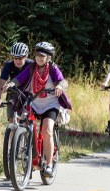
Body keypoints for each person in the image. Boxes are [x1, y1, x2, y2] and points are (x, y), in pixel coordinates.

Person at [8, 42, 71, 176]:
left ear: (48, 57)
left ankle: (48, 164)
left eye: (42, 56)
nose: (38, 58)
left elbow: (63, 81)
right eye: (37, 55)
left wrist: (59, 87)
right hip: (34, 103)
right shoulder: (31, 67)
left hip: (50, 105)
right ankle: (28, 154)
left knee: (47, 129)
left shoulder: (53, 68)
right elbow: (20, 78)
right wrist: (11, 84)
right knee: (24, 122)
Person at [0, 42, 34, 122]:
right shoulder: (8, 65)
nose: (18, 61)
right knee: (12, 121)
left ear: (26, 56)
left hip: (28, 92)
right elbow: (1, 84)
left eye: (20, 58)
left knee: (26, 120)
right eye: (15, 58)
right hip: (14, 92)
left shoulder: (31, 64)